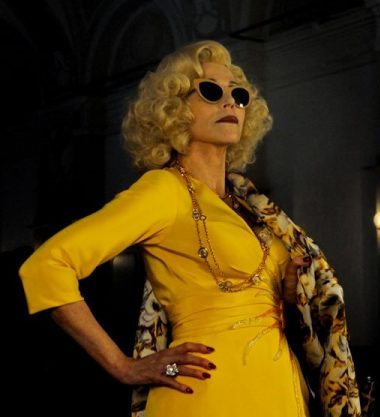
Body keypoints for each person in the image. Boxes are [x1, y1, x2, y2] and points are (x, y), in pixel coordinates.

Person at [19, 40, 361, 417]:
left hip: (283, 390)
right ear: (175, 109)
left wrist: (290, 291)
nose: (230, 103)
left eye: (239, 95)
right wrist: (125, 367)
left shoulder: (250, 205)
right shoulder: (163, 191)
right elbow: (46, 266)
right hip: (206, 394)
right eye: (211, 92)